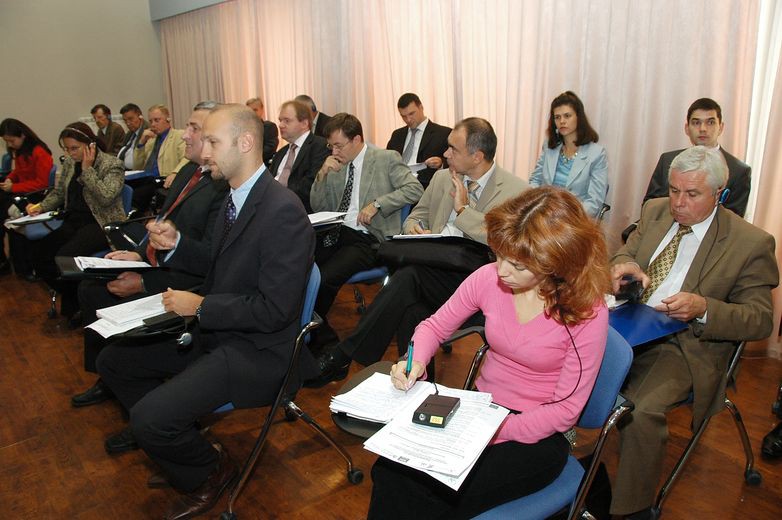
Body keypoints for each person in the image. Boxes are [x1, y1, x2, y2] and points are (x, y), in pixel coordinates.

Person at [96, 104, 315, 520]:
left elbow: (275, 310)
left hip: (259, 351)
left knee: (149, 420)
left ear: (245, 143)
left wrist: (201, 307)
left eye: (213, 141)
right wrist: (177, 244)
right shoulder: (234, 196)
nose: (204, 151)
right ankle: (188, 444)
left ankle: (208, 470)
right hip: (220, 332)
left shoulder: (281, 210)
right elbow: (219, 266)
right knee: (114, 362)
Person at [367, 187, 610, 519]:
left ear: (556, 263)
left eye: (518, 265)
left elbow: (565, 410)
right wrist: (415, 361)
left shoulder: (584, 311)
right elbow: (434, 327)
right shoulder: (488, 279)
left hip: (538, 433)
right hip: (481, 411)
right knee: (390, 470)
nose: (502, 271)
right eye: (499, 255)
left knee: (432, 494)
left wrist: (496, 430)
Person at [609, 146, 778, 518]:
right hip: (628, 322)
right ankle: (554, 463)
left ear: (719, 194)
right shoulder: (655, 211)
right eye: (673, 190)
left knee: (639, 409)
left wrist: (705, 308)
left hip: (684, 344)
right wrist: (624, 267)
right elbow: (624, 254)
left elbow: (760, 319)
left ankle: (632, 510)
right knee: (553, 359)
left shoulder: (750, 243)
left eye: (692, 194)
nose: (678, 203)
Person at [308, 117, 527, 387]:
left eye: (453, 149)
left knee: (409, 278)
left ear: (477, 156)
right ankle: (418, 385)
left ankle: (343, 356)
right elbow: (417, 214)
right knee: (412, 307)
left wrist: (462, 211)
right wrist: (414, 227)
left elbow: (507, 241)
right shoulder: (442, 177)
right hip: (434, 267)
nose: (445, 154)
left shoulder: (515, 191)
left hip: (478, 281)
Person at [71, 101, 228, 410]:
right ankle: (109, 378)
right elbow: (162, 223)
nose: (185, 135)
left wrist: (145, 283)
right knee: (89, 288)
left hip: (182, 283)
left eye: (194, 129)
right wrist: (137, 253)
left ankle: (138, 392)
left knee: (100, 296)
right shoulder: (188, 171)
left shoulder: (222, 187)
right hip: (159, 265)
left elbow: (207, 264)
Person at [309, 112, 423, 349]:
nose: (334, 152)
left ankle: (318, 341)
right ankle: (314, 333)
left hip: (367, 238)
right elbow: (318, 206)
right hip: (336, 233)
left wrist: (378, 204)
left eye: (339, 145)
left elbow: (415, 189)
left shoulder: (385, 158)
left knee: (324, 278)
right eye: (331, 146)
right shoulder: (336, 165)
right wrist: (322, 174)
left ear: (356, 139)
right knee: (300, 269)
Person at [26, 122, 125, 319]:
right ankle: (75, 297)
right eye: (66, 149)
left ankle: (77, 305)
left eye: (74, 148)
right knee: (39, 255)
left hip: (100, 223)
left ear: (90, 145)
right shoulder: (71, 163)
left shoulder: (112, 164)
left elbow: (106, 197)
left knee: (64, 257)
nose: (70, 153)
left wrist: (87, 171)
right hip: (74, 220)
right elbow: (59, 192)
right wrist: (41, 206)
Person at [643, 97, 751, 217]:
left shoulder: (739, 171)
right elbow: (649, 206)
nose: (703, 129)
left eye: (710, 122)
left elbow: (733, 219)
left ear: (721, 127)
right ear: (687, 128)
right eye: (696, 123)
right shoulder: (667, 160)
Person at [529, 91, 608, 218]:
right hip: (544, 213)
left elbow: (594, 202)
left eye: (567, 116)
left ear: (578, 118)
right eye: (557, 117)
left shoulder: (596, 154)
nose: (562, 121)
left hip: (574, 218)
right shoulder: (549, 146)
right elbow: (535, 180)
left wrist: (565, 217)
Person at [0, 118, 54, 274]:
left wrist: (13, 187)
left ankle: (6, 262)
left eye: (11, 141)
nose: (10, 145)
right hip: (22, 192)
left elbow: (42, 183)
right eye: (7, 141)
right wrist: (10, 178)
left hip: (34, 196)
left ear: (22, 135)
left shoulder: (39, 151)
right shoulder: (22, 151)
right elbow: (19, 172)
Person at [269, 99, 329, 212]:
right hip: (273, 209)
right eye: (280, 120)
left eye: (287, 121)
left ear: (304, 124)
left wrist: (276, 197)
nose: (280, 125)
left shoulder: (320, 146)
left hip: (299, 211)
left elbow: (310, 186)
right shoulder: (280, 153)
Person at [386, 93, 451, 188]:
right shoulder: (397, 135)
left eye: (411, 114)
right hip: (396, 184)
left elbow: (455, 161)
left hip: (425, 186)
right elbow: (387, 160)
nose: (408, 120)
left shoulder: (443, 133)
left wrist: (441, 163)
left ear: (421, 107)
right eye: (403, 116)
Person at [132, 104, 187, 211]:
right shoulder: (151, 140)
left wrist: (175, 172)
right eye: (151, 121)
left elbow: (186, 159)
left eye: (157, 120)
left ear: (168, 119)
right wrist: (141, 143)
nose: (153, 124)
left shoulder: (178, 136)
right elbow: (137, 166)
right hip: (147, 179)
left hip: (163, 180)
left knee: (137, 195)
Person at [246, 97, 280, 166]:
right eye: (249, 110)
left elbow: (270, 148)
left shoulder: (269, 127)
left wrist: (250, 157)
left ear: (262, 110)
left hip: (264, 165)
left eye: (255, 110)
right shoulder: (242, 129)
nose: (252, 113)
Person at [116, 103, 149, 170]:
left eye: (130, 119)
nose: (128, 123)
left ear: (140, 116)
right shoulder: (129, 134)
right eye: (125, 120)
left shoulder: (148, 132)